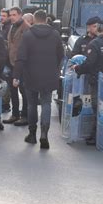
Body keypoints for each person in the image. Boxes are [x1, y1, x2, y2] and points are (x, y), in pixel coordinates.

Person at [14, 9, 64, 149]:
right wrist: (55, 68)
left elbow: (21, 56)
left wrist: (16, 75)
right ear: (47, 19)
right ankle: (44, 134)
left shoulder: (28, 35)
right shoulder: (55, 35)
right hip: (49, 75)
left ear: (35, 20)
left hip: (31, 74)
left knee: (31, 104)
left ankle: (32, 134)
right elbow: (61, 54)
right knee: (46, 103)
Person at [72, 20, 103, 146]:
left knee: (97, 108)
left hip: (96, 80)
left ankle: (95, 136)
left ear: (98, 29)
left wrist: (77, 69)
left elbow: (89, 62)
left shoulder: (94, 43)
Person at [4, 6, 30, 126]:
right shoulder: (12, 27)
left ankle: (25, 116)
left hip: (23, 64)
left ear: (20, 15)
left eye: (14, 15)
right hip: (12, 63)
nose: (12, 17)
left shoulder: (26, 28)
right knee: (13, 90)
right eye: (10, 15)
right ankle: (15, 114)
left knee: (24, 91)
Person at [0, 8, 12, 114]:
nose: (2, 17)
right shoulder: (2, 26)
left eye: (4, 16)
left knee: (5, 83)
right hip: (1, 59)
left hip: (7, 60)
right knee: (2, 82)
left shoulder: (9, 27)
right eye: (1, 15)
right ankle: (3, 104)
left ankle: (5, 104)